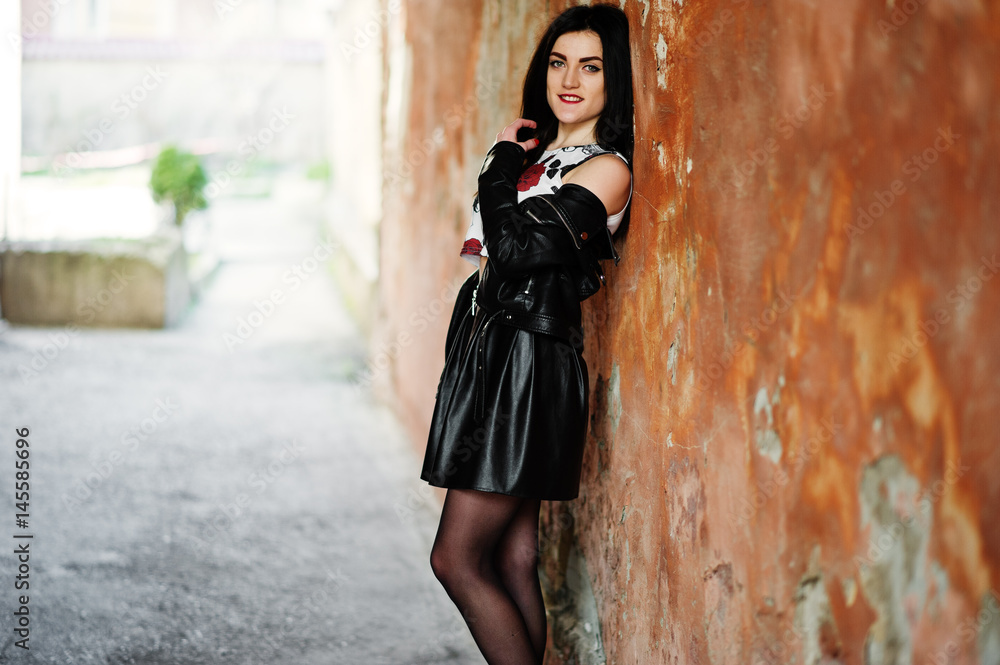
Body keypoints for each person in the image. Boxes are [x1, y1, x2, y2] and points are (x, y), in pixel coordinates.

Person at [420, 4, 634, 664]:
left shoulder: (606, 168)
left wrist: (499, 159)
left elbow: (510, 248)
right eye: (559, 61)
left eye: (591, 66)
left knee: (455, 558)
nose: (570, 78)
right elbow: (486, 258)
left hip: (530, 362)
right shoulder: (542, 157)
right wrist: (515, 157)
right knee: (513, 557)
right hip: (493, 351)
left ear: (613, 79)